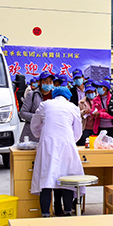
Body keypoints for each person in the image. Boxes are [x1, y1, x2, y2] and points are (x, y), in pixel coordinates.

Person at [30, 87, 84, 217]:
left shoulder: (45, 105)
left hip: (48, 146)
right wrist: (70, 140)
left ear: (53, 95)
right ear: (68, 97)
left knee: (46, 179)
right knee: (67, 179)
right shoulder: (73, 107)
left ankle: (45, 214)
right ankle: (67, 212)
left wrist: (40, 134)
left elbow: (34, 125)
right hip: (67, 146)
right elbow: (77, 132)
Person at [19, 71, 54, 142]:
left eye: (50, 81)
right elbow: (23, 113)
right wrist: (38, 118)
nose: (48, 83)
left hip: (50, 133)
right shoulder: (32, 94)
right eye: (45, 81)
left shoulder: (55, 95)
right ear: (40, 82)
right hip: (32, 134)